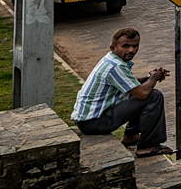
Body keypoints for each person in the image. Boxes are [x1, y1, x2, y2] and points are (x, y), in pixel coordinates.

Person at [70, 27, 172, 157]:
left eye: (135, 46)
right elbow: (142, 93)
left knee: (133, 93)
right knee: (153, 96)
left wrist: (149, 78)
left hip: (90, 120)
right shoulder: (115, 66)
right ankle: (148, 146)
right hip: (94, 123)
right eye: (126, 46)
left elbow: (129, 83)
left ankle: (131, 136)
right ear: (113, 48)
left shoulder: (112, 60)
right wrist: (153, 78)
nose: (132, 50)